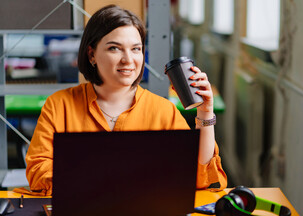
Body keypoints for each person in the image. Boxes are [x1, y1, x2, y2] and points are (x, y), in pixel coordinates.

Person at [19, 5, 227, 196]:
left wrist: (205, 113)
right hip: (82, 213)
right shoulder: (59, 105)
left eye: (136, 49)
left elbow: (197, 175)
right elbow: (38, 170)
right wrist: (103, 185)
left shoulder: (163, 110)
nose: (128, 59)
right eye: (114, 48)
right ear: (91, 54)